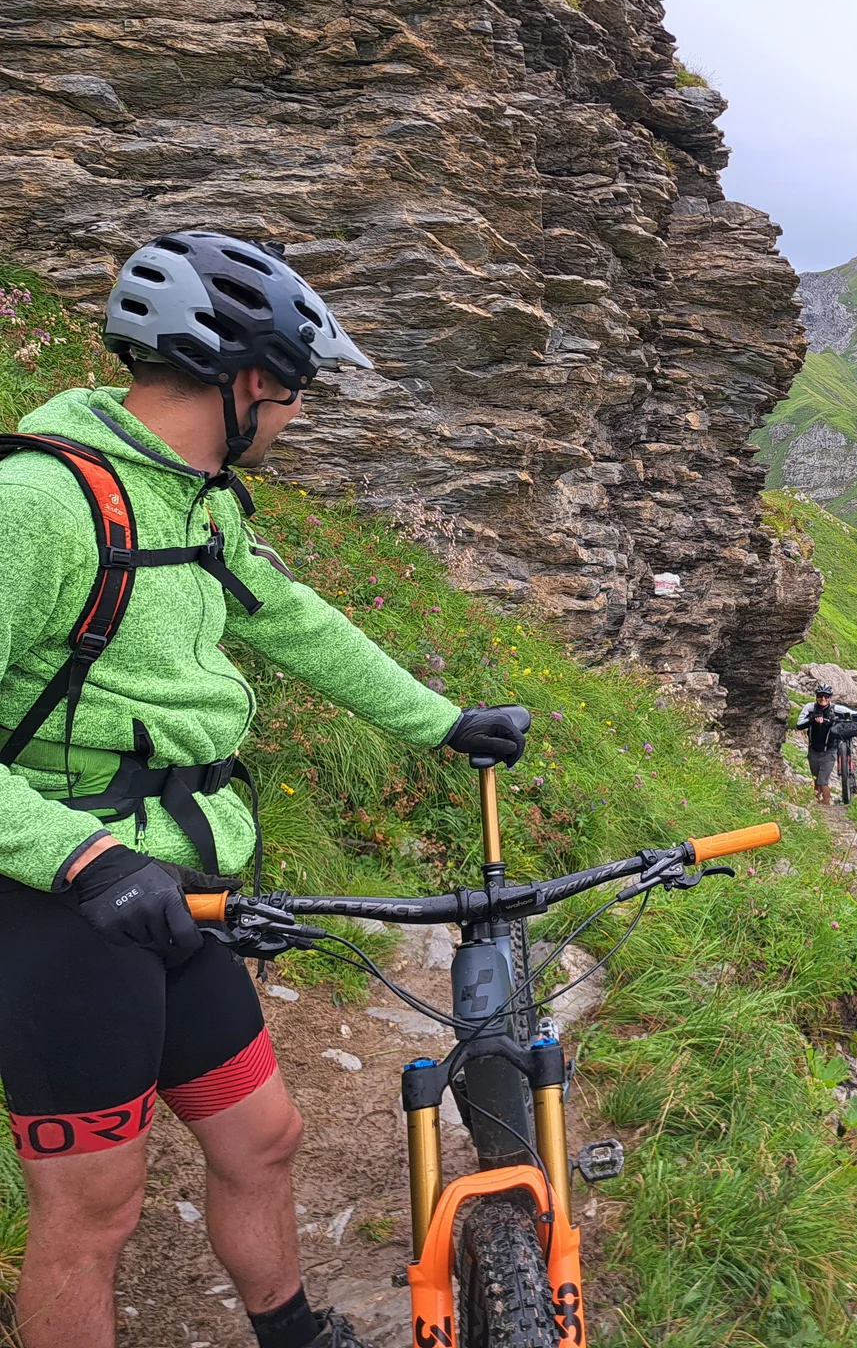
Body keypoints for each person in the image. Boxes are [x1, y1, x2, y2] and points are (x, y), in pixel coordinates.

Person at [0, 231, 529, 1348]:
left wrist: (440, 722)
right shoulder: (38, 504)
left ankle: (292, 1334)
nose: (296, 415)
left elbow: (293, 620)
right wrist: (83, 860)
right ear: (249, 381)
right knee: (92, 1214)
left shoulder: (201, 501)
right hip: (60, 901)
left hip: (182, 886)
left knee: (265, 1136)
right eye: (296, 391)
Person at [794, 683, 839, 804]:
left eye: (826, 696)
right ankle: (819, 804)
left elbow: (851, 714)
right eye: (820, 695)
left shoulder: (835, 709)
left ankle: (826, 803)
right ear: (816, 696)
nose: (823, 699)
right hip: (813, 750)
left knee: (822, 780)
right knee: (816, 779)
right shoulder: (810, 707)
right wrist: (812, 720)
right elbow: (799, 725)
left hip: (830, 751)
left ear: (830, 697)